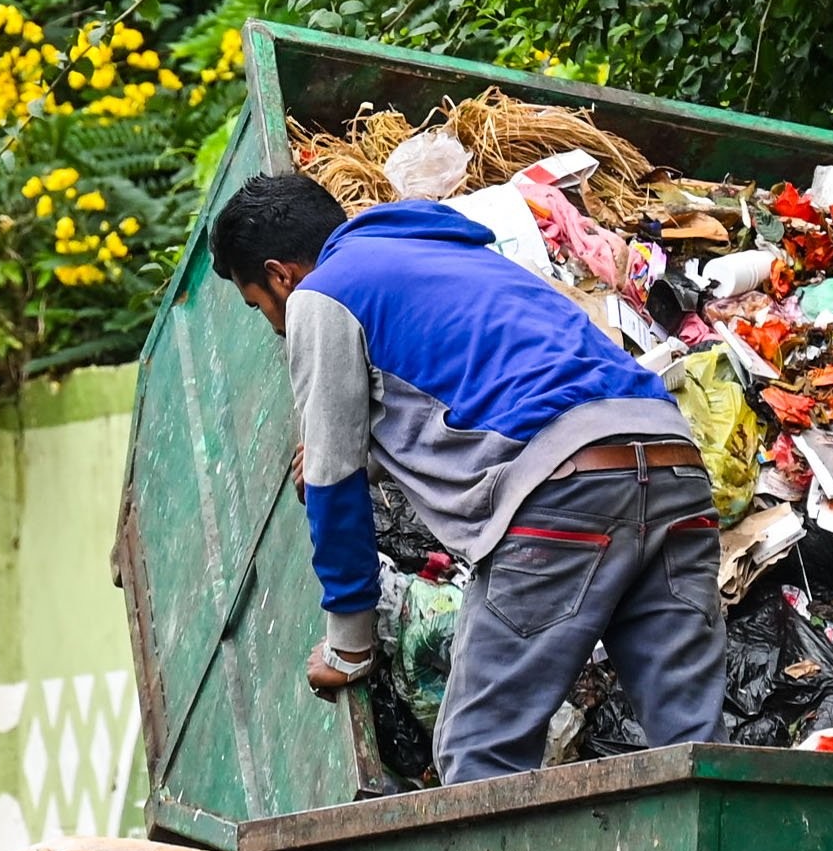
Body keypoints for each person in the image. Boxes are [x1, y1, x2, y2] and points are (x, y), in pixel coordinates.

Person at [208, 169, 727, 784]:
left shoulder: (322, 295)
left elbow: (332, 484)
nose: (273, 325)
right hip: (673, 464)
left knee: (482, 755)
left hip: (565, 496)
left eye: (260, 306)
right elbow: (488, 388)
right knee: (693, 746)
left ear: (279, 275)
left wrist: (351, 646)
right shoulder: (454, 255)